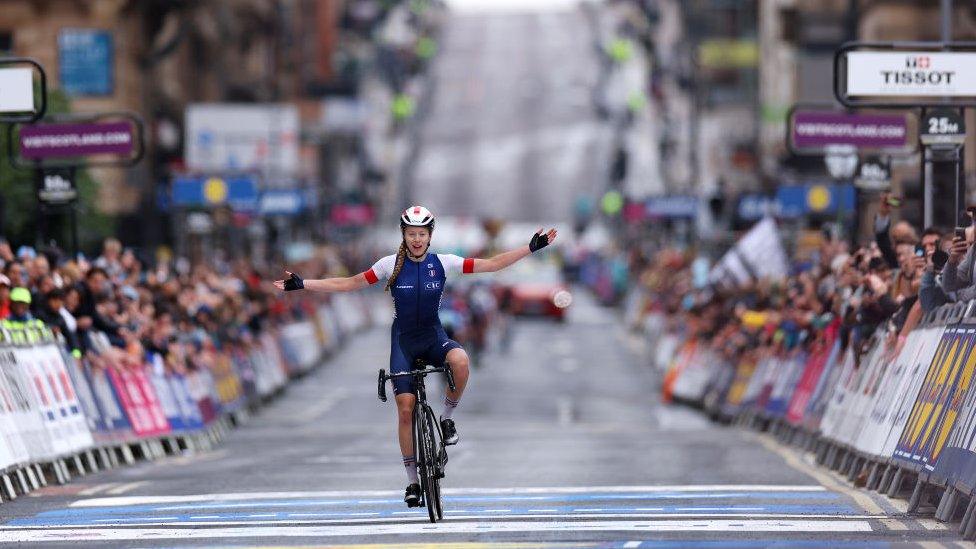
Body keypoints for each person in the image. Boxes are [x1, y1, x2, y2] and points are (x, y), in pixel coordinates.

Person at [274, 206, 557, 507]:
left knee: (460, 361)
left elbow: (492, 264)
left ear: (430, 236)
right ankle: (412, 481)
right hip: (404, 343)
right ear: (404, 235)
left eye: (422, 234)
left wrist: (530, 247)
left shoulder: (444, 263)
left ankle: (447, 419)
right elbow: (349, 283)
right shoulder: (389, 264)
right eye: (412, 234)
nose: (417, 239)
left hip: (433, 338)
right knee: (406, 408)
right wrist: (303, 284)